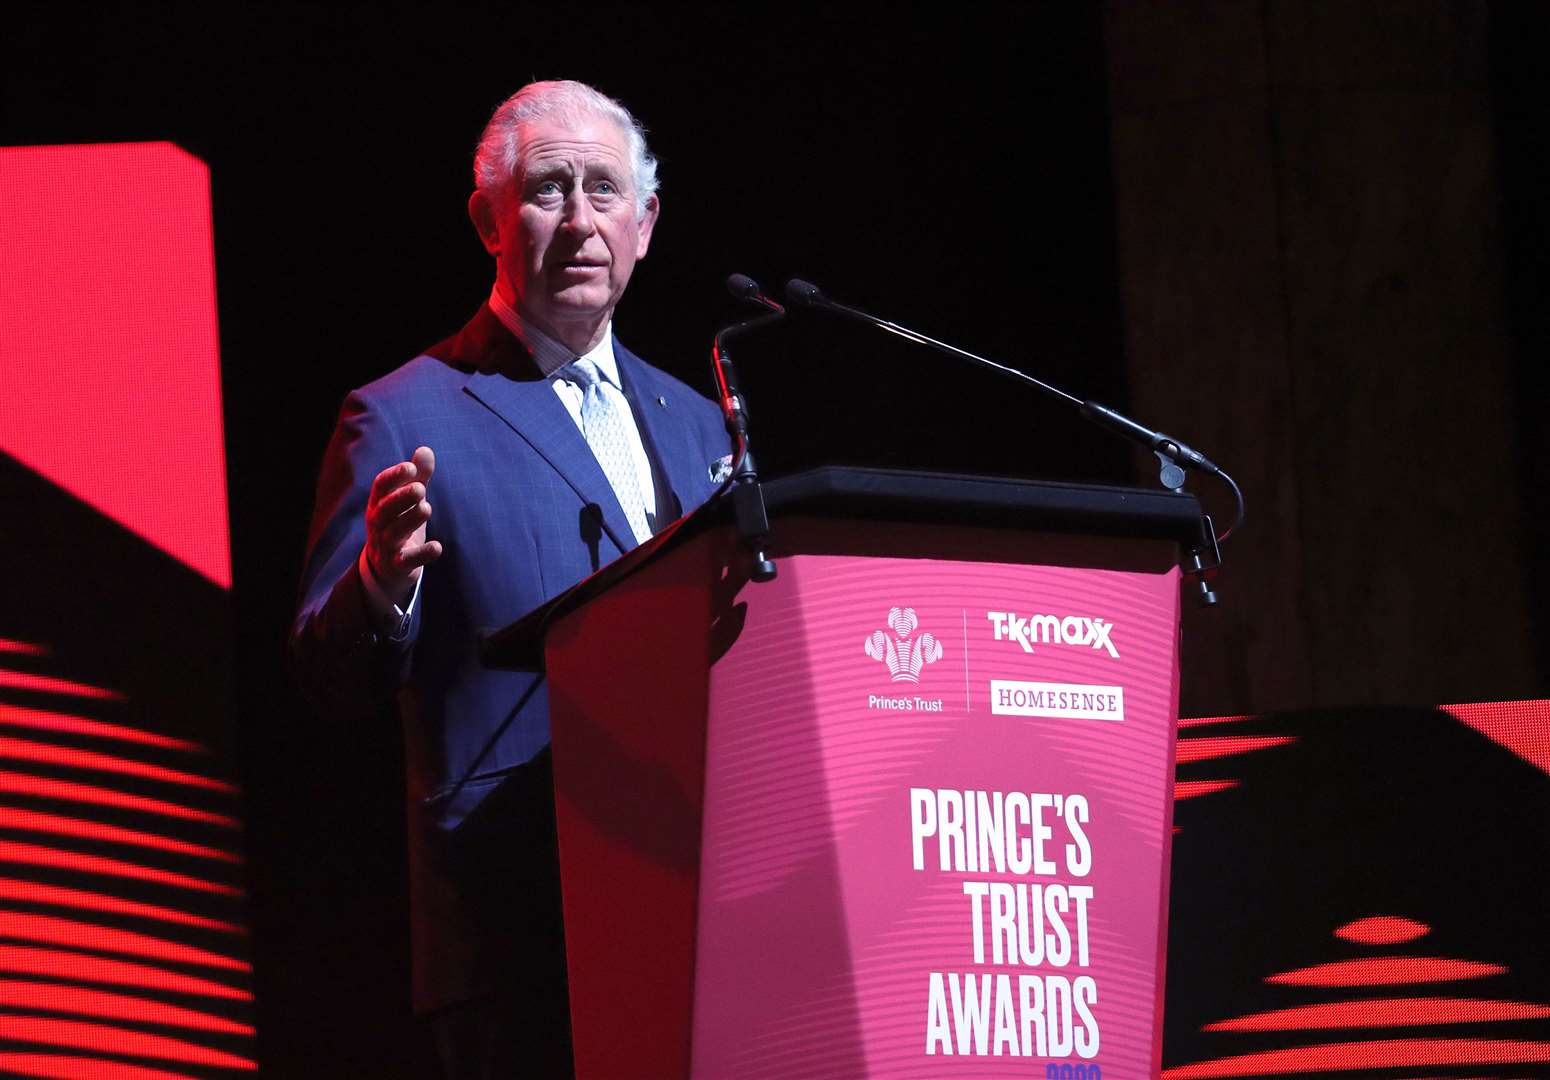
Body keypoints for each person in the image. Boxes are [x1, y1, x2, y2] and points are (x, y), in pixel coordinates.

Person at [290, 80, 729, 1077]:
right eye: (547, 191)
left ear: (646, 222)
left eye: (604, 190)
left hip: (699, 908)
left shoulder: (703, 423)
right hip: (522, 933)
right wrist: (378, 584)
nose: (580, 219)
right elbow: (325, 675)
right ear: (488, 219)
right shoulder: (404, 415)